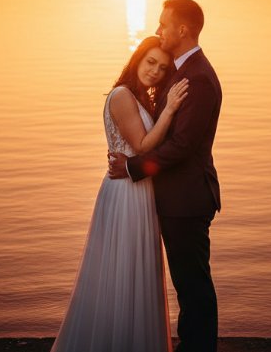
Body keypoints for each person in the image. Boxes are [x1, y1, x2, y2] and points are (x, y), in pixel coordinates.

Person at [51, 35, 190, 352]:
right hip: (125, 192)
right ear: (137, 59)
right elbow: (141, 146)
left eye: (162, 67)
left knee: (136, 270)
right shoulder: (121, 95)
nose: (155, 71)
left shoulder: (138, 98)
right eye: (150, 61)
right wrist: (169, 110)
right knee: (121, 270)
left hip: (139, 190)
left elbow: (141, 150)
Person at [109, 0, 222, 352]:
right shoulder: (180, 70)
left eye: (163, 25)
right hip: (175, 198)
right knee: (187, 283)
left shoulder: (199, 78)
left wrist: (132, 168)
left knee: (193, 286)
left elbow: (182, 147)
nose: (159, 31)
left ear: (182, 30)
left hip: (188, 198)